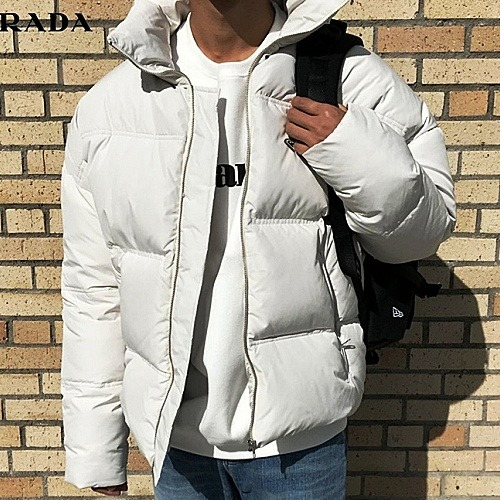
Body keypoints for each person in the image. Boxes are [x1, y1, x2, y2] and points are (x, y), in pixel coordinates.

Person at [60, 0, 456, 498]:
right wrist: (96, 447)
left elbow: (420, 235)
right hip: (177, 448)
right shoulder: (112, 107)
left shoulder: (348, 78)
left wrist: (353, 149)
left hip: (301, 446)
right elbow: (93, 288)